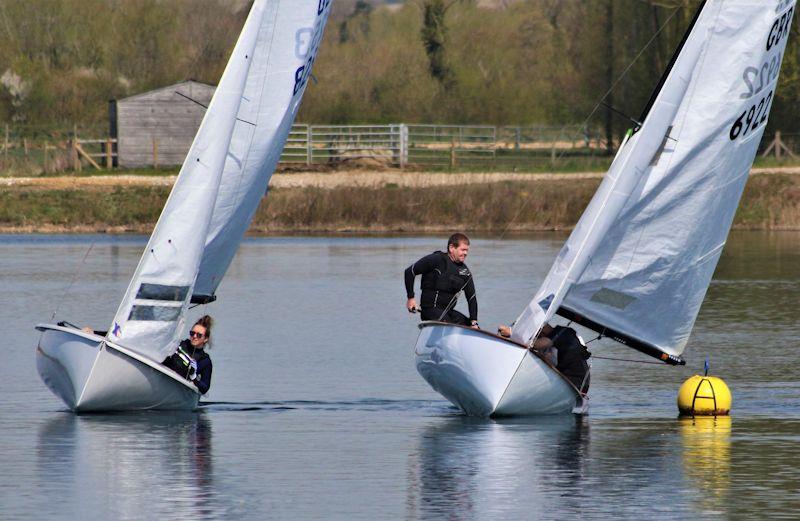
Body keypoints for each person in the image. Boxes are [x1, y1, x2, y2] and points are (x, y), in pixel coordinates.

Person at [404, 233, 478, 328]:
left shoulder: (464, 271)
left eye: (467, 250)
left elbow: (471, 298)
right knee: (447, 323)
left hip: (448, 312)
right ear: (451, 248)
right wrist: (411, 298)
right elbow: (409, 272)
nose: (466, 253)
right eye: (463, 250)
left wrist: (474, 322)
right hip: (430, 310)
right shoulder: (436, 260)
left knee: (473, 328)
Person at [498, 322, 590, 391]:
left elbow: (539, 344)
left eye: (532, 335)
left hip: (576, 385)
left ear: (541, 330)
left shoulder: (564, 332)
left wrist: (512, 333)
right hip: (563, 382)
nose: (533, 338)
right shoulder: (551, 345)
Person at [163, 315, 214, 394]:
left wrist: (194, 377)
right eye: (192, 333)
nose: (194, 336)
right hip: (165, 379)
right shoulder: (178, 345)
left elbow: (205, 388)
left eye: (199, 335)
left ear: (206, 339)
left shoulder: (205, 361)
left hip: (181, 391)